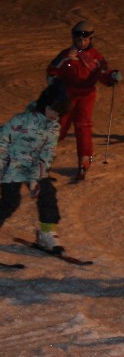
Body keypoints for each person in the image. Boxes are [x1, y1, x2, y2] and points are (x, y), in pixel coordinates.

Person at [0, 83, 71, 253]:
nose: (55, 115)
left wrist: (35, 179)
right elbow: (2, 142)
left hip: (33, 167)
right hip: (11, 166)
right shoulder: (21, 121)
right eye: (52, 110)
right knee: (11, 201)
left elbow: (47, 154)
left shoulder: (53, 128)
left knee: (47, 192)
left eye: (58, 113)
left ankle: (47, 232)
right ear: (44, 105)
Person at [46, 20, 121, 180]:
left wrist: (111, 76)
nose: (82, 42)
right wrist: (53, 78)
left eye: (85, 39)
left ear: (90, 39)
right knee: (60, 126)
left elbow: (103, 72)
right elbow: (54, 68)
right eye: (78, 39)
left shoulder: (95, 57)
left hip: (86, 95)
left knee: (83, 125)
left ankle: (84, 160)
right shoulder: (67, 55)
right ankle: (43, 160)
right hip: (67, 94)